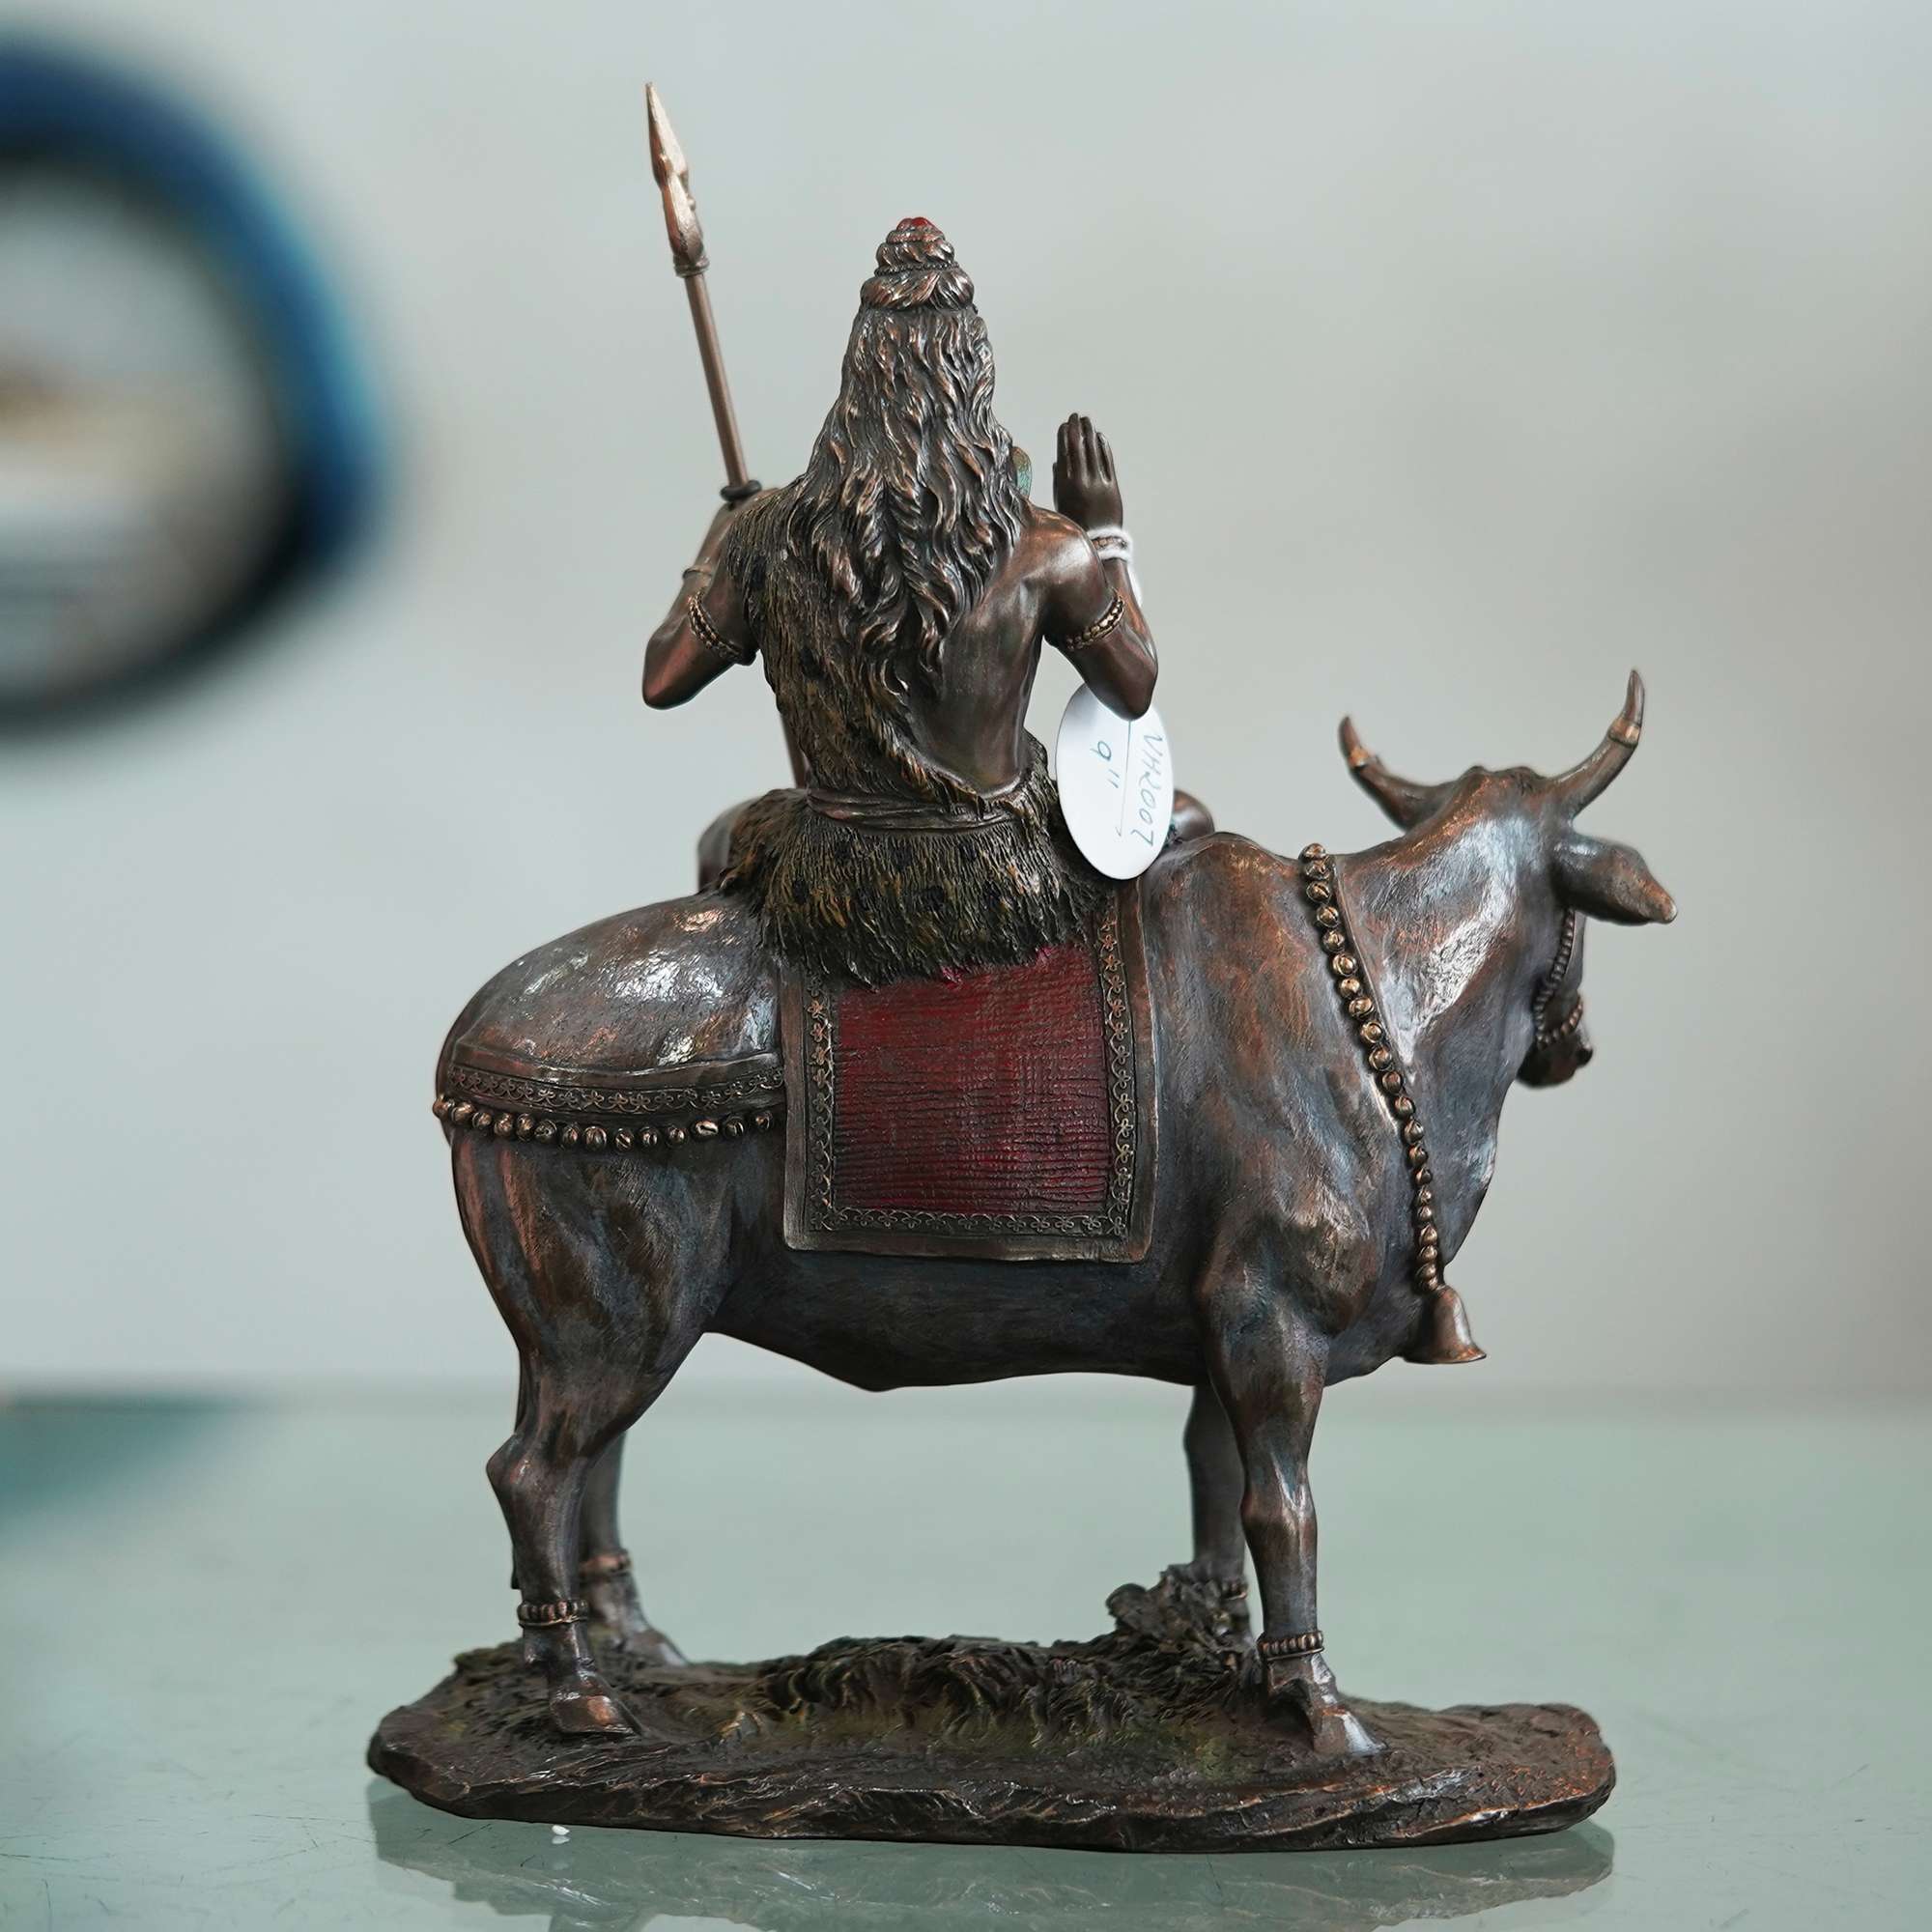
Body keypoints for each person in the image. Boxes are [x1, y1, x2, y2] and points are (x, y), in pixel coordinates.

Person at [643, 216, 1160, 985]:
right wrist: (1106, 535)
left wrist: (715, 548)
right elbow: (1134, 686)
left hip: (833, 885)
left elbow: (663, 678)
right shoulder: (1050, 548)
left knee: (723, 837)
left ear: (858, 377)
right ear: (975, 376)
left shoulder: (769, 533)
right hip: (1002, 876)